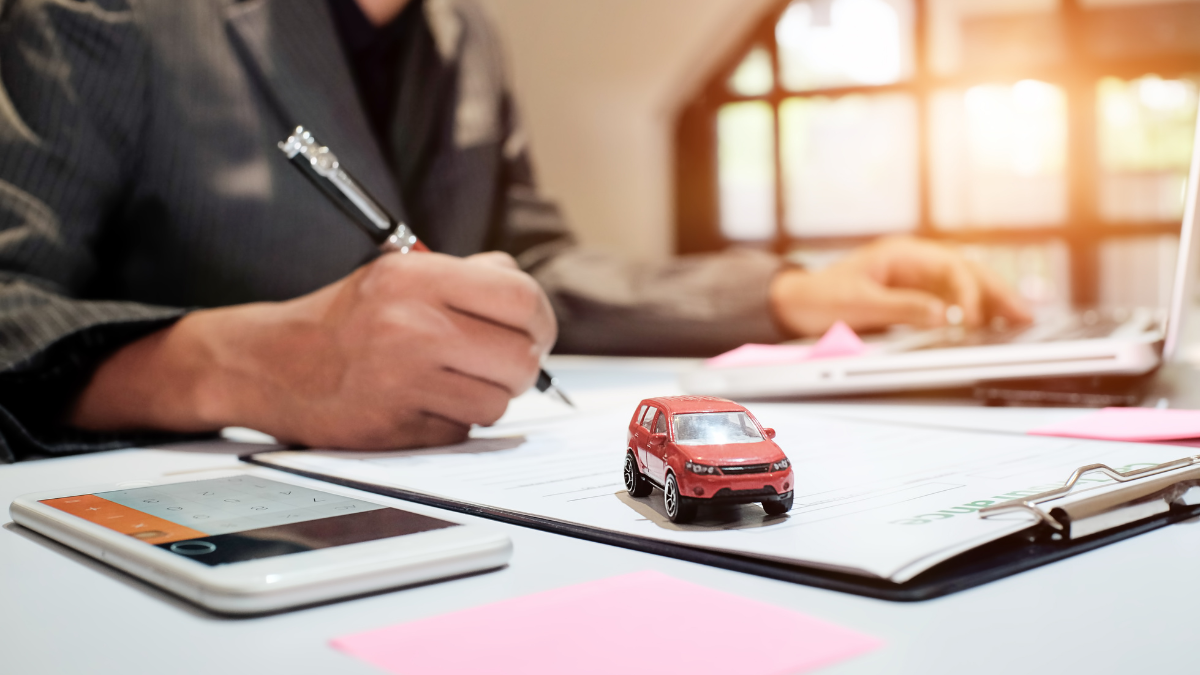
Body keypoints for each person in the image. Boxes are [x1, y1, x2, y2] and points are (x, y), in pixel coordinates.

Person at [0, 0, 1028, 462]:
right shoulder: (111, 13)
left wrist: (791, 293)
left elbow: (530, 264)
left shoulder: (466, 33)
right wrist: (244, 365)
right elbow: (11, 304)